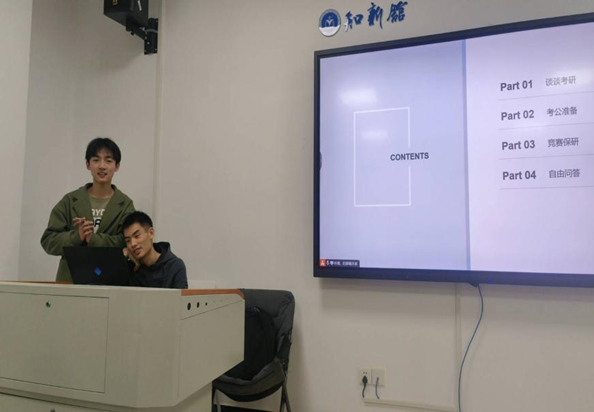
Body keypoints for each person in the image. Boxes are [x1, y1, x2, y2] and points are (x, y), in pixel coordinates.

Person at [41, 137, 135, 282]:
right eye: (96, 160)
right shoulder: (70, 201)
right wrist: (76, 236)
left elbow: (127, 242)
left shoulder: (125, 204)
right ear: (87, 164)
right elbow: (48, 241)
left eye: (108, 161)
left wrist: (94, 239)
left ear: (117, 166)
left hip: (109, 280)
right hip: (70, 279)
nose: (102, 166)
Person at [122, 211, 188, 289]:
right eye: (128, 240)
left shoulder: (175, 266)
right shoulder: (131, 267)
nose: (133, 244)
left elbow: (180, 296)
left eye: (137, 236)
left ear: (151, 233)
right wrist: (123, 255)